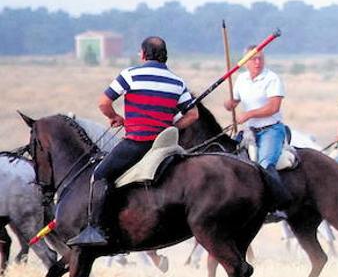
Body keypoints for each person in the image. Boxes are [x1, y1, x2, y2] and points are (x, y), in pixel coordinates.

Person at [69, 36, 200, 247]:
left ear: (143, 54)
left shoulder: (130, 75)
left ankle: (96, 229)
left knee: (100, 174)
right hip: (164, 146)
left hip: (137, 143)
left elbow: (104, 102)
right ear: (165, 55)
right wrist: (172, 126)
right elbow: (193, 115)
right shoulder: (178, 82)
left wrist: (115, 117)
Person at [224, 45, 293, 214]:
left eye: (260, 58)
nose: (258, 62)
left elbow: (273, 107)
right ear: (246, 62)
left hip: (271, 130)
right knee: (229, 159)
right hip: (249, 132)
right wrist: (229, 104)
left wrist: (248, 114)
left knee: (264, 164)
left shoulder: (272, 79)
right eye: (253, 59)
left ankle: (278, 205)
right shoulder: (241, 79)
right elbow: (233, 101)